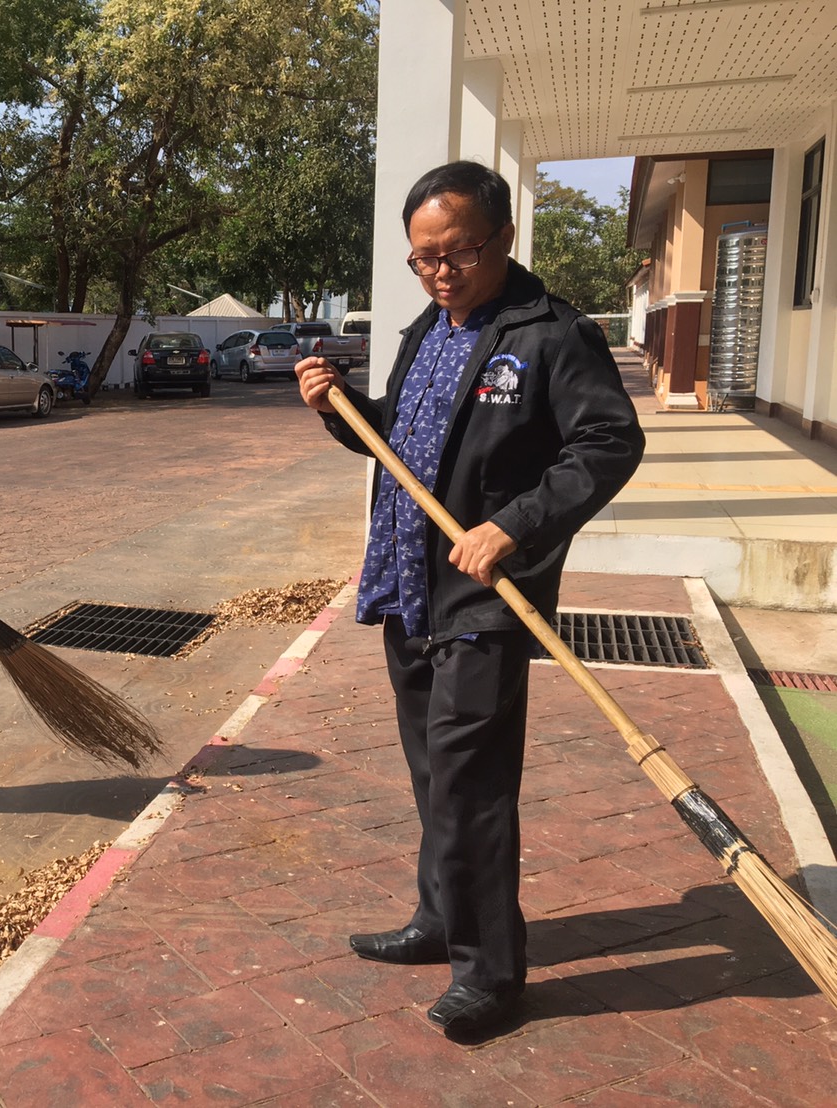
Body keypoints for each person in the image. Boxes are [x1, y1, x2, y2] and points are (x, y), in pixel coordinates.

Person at [295, 161, 644, 1037]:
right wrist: (342, 410)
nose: (441, 272)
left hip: (486, 597)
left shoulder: (553, 334)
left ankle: (490, 972)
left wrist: (515, 528)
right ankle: (442, 917)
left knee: (473, 784)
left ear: (503, 238)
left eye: (458, 253)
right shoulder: (427, 330)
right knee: (433, 775)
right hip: (411, 589)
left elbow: (608, 442)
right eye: (423, 258)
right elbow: (405, 446)